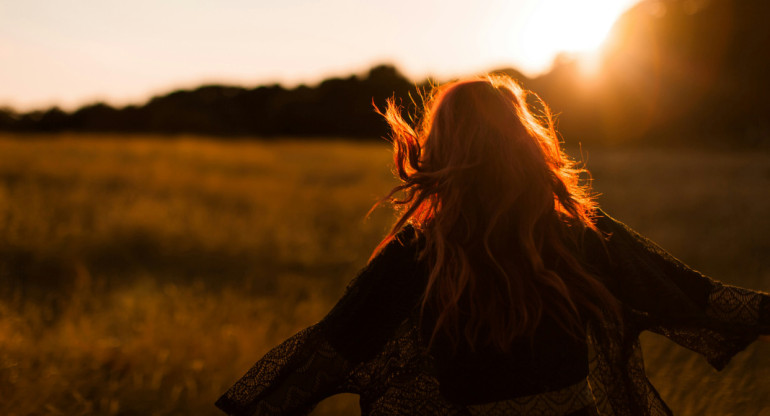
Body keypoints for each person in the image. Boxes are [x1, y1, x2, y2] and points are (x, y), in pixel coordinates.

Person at [216, 75, 769, 415]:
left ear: (441, 149)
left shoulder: (417, 253)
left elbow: (326, 354)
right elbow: (707, 301)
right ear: (526, 144)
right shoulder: (579, 232)